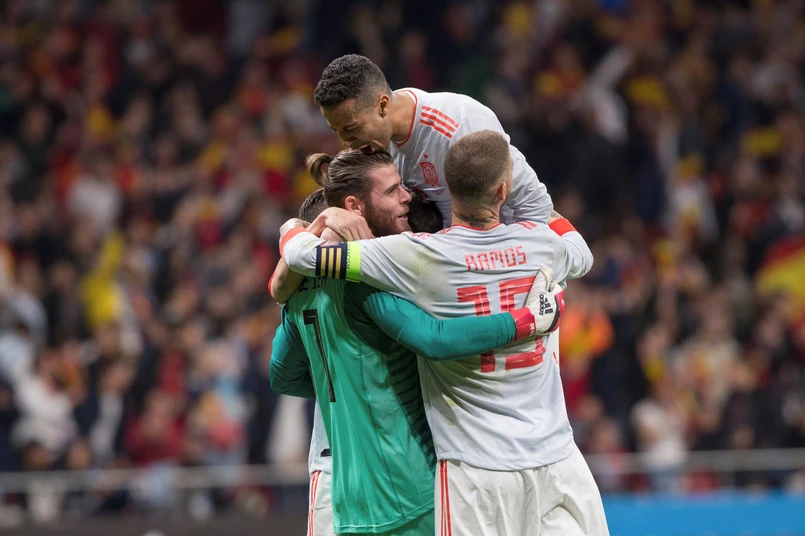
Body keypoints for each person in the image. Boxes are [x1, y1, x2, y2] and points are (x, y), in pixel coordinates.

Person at [280, 131, 609, 536]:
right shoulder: (539, 245)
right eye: (394, 190)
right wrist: (525, 316)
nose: (406, 197)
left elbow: (299, 266)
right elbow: (580, 251)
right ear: (502, 190)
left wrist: (295, 228)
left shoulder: (414, 257)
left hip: (442, 469)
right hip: (541, 454)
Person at [314, 53, 553, 227]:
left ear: (383, 105)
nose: (346, 142)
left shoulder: (460, 126)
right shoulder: (376, 149)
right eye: (337, 131)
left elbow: (535, 207)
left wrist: (518, 266)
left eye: (351, 128)